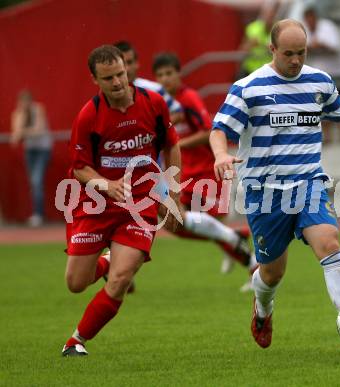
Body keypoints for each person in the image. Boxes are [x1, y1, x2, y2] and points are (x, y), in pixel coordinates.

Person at [210, 19, 340, 354]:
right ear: (272, 50)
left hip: (308, 183)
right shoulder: (248, 87)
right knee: (272, 273)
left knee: (329, 242)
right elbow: (219, 128)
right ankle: (263, 310)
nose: (295, 60)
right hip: (264, 193)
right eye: (288, 53)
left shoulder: (319, 82)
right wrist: (221, 154)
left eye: (302, 52)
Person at [61, 45, 182, 356]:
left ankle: (76, 341)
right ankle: (103, 262)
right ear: (95, 80)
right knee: (76, 283)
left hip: (140, 205)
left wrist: (172, 190)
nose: (117, 82)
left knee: (121, 279)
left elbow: (171, 144)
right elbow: (79, 168)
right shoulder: (89, 115)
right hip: (96, 205)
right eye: (108, 78)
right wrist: (106, 184)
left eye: (120, 74)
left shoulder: (153, 103)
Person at [152, 52, 258, 291]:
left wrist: (177, 144)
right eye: (161, 75)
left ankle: (254, 269)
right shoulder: (162, 103)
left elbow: (207, 131)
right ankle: (236, 238)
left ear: (179, 74)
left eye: (170, 73)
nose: (166, 79)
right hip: (187, 173)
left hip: (207, 172)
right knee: (174, 224)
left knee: (205, 223)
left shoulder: (188, 98)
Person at [303, 5, 340, 143]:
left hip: (339, 72)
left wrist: (319, 45)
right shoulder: (305, 30)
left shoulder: (327, 27)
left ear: (316, 18)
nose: (310, 22)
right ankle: (328, 138)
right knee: (322, 107)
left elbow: (334, 47)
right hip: (322, 76)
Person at [113, 41, 183, 124]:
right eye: (123, 63)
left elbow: (178, 113)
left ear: (137, 63)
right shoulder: (103, 98)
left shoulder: (154, 89)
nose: (127, 68)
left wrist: (155, 132)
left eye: (130, 62)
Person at [10, 90, 53, 227]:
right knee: (34, 183)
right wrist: (22, 122)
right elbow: (15, 138)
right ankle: (37, 213)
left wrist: (23, 131)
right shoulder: (18, 113)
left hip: (43, 149)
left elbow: (39, 129)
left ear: (30, 101)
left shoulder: (38, 109)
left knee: (36, 180)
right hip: (30, 150)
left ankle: (38, 215)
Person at [237, 0, 280, 79]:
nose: (269, 17)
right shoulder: (252, 28)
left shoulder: (279, 29)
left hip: (269, 71)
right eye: (267, 14)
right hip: (250, 70)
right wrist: (249, 45)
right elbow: (242, 49)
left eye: (272, 15)